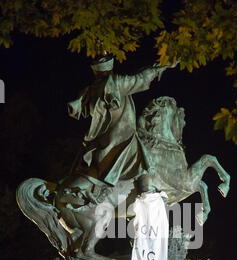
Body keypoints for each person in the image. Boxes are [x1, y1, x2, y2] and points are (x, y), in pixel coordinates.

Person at [68, 56, 177, 186]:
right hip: (120, 138)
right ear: (110, 69)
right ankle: (146, 195)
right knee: (145, 163)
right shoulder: (116, 84)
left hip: (97, 140)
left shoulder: (90, 90)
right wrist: (161, 66)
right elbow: (141, 78)